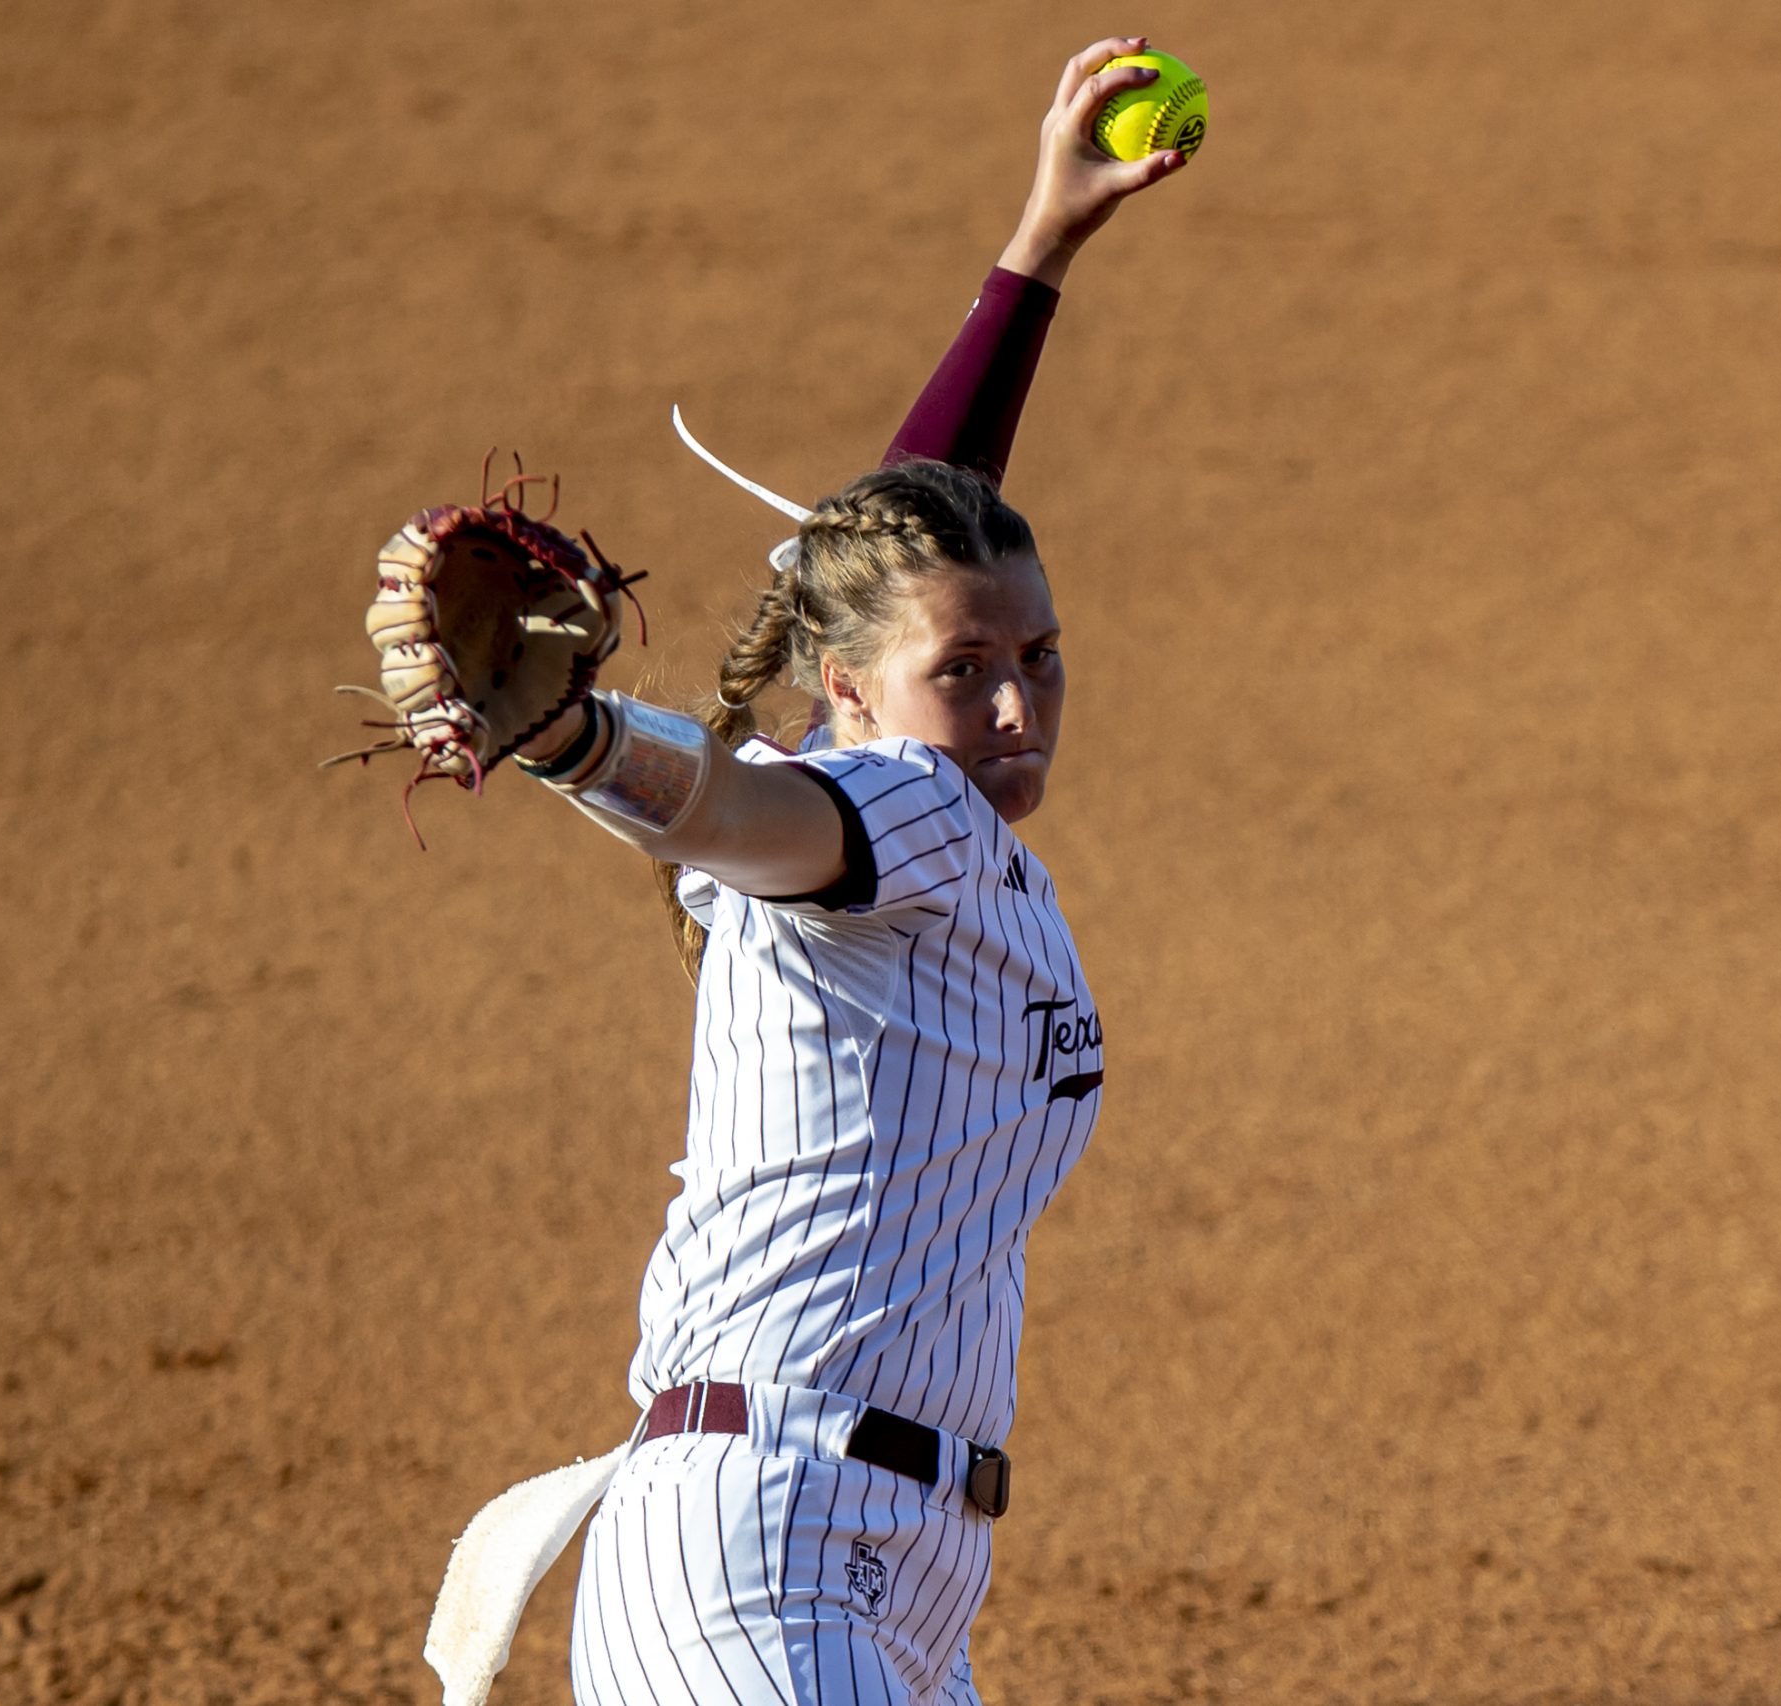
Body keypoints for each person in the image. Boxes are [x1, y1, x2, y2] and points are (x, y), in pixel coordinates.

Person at [509, 39, 1185, 1705]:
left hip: (888, 1578)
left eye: (1043, 653)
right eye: (973, 673)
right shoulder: (897, 808)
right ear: (854, 702)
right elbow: (737, 810)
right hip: (764, 1548)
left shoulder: (922, 797)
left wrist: (1038, 253)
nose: (1018, 701)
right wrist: (581, 741)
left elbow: (897, 567)